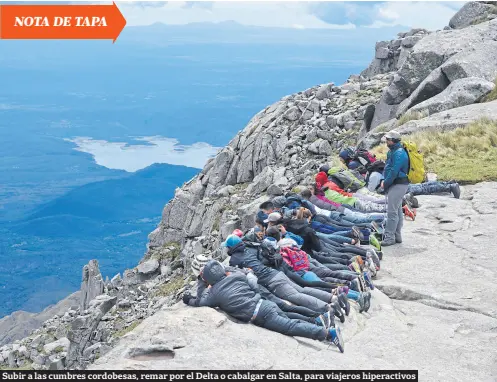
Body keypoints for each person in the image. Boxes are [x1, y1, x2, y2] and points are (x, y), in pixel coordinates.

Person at [182, 259, 344, 352]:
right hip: (265, 304)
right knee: (289, 317)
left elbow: (200, 302)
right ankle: (318, 321)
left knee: (290, 327)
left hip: (261, 315)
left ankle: (328, 334)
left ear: (208, 279)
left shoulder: (214, 293)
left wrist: (197, 286)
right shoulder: (237, 276)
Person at [380, 130, 409, 246]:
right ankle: (397, 236)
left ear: (394, 141)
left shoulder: (399, 153)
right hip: (395, 184)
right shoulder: (392, 151)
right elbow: (387, 168)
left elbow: (394, 171)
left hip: (398, 184)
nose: (386, 141)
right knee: (397, 211)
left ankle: (389, 237)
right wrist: (384, 179)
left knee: (392, 212)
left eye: (388, 139)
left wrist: (385, 183)